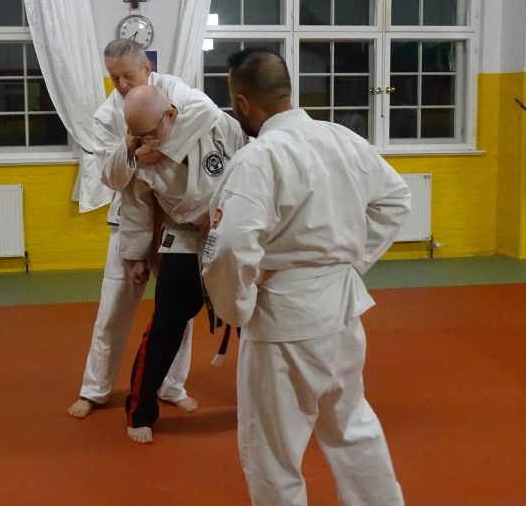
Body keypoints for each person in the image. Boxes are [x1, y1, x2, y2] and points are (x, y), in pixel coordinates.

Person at [202, 49, 409, 506]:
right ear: (286, 91)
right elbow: (396, 200)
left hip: (284, 318)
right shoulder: (342, 139)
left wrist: (237, 306)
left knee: (272, 449)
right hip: (343, 311)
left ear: (242, 103)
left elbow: (230, 246)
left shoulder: (259, 158)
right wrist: (352, 262)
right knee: (351, 426)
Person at [67, 39, 208, 420]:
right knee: (113, 309)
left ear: (147, 68)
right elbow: (111, 178)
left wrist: (163, 148)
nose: (122, 85)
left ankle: (172, 385)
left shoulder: (174, 89)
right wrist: (130, 146)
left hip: (178, 222)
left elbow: (207, 115)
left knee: (178, 311)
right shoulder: (106, 115)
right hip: (129, 218)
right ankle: (95, 389)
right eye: (114, 78)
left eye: (128, 75)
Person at [119, 83, 247, 443]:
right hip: (183, 238)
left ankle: (266, 401)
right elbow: (136, 207)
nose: (145, 141)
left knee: (250, 322)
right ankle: (140, 411)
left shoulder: (216, 126)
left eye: (151, 132)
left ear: (171, 114)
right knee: (165, 325)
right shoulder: (140, 155)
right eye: (137, 135)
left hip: (232, 234)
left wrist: (225, 212)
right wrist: (137, 256)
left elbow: (250, 168)